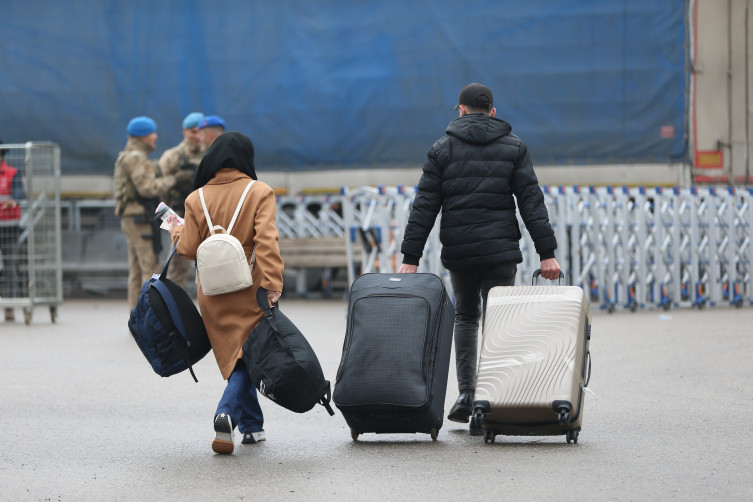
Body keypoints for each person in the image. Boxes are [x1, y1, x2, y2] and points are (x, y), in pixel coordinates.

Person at [397, 83, 561, 434]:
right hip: (501, 251)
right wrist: (547, 254)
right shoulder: (514, 147)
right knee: (498, 323)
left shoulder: (441, 149)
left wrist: (410, 257)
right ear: (493, 112)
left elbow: (424, 207)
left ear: (460, 110)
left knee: (466, 317)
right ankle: (491, 401)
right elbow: (532, 202)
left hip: (460, 252)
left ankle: (467, 395)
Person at [169, 131, 284, 454]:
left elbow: (188, 248)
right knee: (250, 353)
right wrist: (273, 283)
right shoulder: (259, 192)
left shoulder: (196, 197)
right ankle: (227, 412)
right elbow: (267, 242)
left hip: (213, 291)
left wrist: (178, 232)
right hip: (251, 286)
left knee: (238, 354)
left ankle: (251, 427)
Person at [114, 116, 194, 310]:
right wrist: (173, 180)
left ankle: (137, 316)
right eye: (153, 134)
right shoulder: (136, 158)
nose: (156, 137)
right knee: (151, 269)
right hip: (139, 218)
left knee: (136, 269)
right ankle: (150, 317)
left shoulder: (130, 155)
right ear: (143, 136)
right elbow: (147, 189)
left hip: (134, 218)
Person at [158, 112, 206, 288]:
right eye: (193, 132)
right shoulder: (173, 156)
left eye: (201, 131)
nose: (198, 136)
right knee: (177, 262)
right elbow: (159, 189)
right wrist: (176, 179)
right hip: (177, 213)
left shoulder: (210, 154)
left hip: (204, 215)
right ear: (185, 132)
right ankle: (173, 306)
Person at [0, 140, 26, 322]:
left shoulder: (12, 173)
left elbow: (19, 192)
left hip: (9, 225)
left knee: (10, 266)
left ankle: (9, 305)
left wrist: (13, 200)